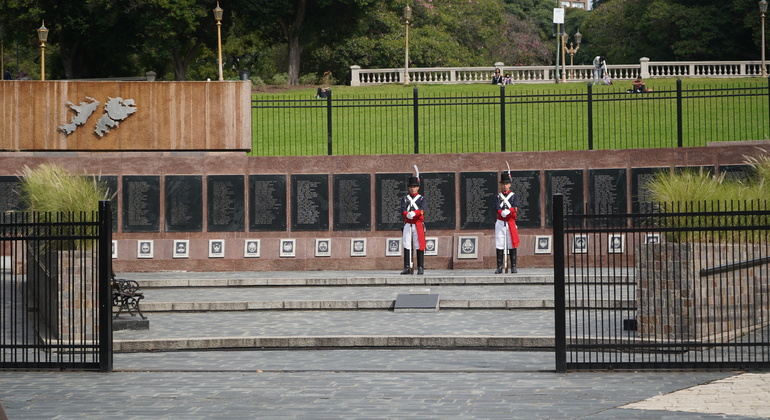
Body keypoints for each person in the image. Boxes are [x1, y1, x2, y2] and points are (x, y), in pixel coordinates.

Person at [400, 171, 426, 275]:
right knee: (406, 244)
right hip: (408, 223)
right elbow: (402, 210)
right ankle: (407, 267)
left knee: (419, 245)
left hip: (417, 224)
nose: (413, 188)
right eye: (411, 186)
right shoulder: (405, 199)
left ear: (418, 188)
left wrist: (414, 213)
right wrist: (407, 214)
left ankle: (420, 267)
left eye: (415, 186)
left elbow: (422, 209)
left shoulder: (422, 198)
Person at [495, 171, 520, 273]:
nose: (505, 186)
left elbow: (515, 207)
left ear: (509, 185)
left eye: (506, 184)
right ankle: (499, 267)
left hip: (510, 222)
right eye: (503, 184)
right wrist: (501, 212)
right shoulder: (497, 196)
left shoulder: (514, 196)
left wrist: (508, 211)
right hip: (501, 222)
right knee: (499, 243)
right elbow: (496, 207)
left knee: (511, 244)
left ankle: (513, 266)